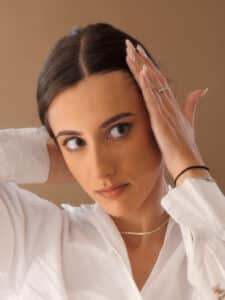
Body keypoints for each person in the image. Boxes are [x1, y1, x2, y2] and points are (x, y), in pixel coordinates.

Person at [0, 22, 224, 300]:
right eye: (74, 142)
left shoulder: (212, 235)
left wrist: (186, 161)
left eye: (118, 130)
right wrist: (55, 161)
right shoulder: (31, 239)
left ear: (160, 118)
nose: (99, 168)